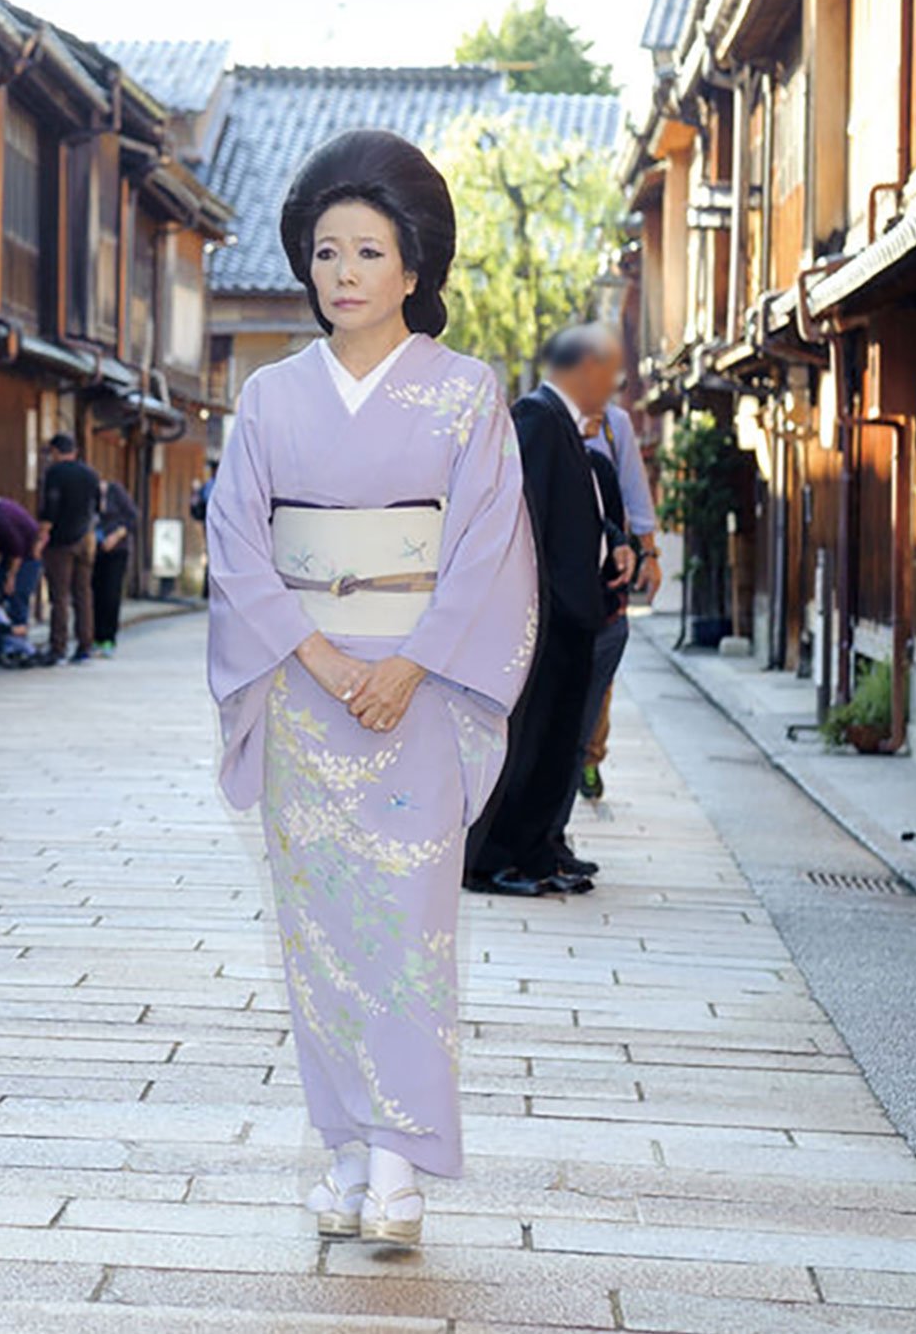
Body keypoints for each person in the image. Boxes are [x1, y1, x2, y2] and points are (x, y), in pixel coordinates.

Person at [207, 127, 539, 1249]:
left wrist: (409, 663)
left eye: (366, 252)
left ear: (414, 267)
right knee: (316, 929)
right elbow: (239, 546)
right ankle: (344, 1151)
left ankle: (397, 1159)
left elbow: (490, 546)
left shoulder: (463, 396)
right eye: (325, 251)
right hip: (309, 690)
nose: (341, 275)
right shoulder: (268, 398)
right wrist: (321, 655)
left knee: (407, 924)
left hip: (420, 691)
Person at [467, 327, 633, 898]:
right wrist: (541, 605)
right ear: (582, 369)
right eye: (608, 373)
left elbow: (576, 516)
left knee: (558, 742)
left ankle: (536, 853)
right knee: (530, 740)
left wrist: (612, 541)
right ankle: (497, 860)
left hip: (573, 612)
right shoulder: (536, 418)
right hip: (546, 613)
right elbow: (527, 521)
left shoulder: (567, 428)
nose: (612, 386)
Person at [577, 343, 659, 804]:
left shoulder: (615, 425)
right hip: (559, 564)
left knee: (601, 668)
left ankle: (590, 757)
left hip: (608, 563)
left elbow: (634, 489)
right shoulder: (545, 420)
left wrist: (649, 553)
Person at [38, 432, 103, 664]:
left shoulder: (55, 473)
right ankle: (85, 645)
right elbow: (98, 507)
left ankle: (59, 646)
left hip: (60, 541)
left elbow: (50, 509)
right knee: (83, 594)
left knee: (60, 596)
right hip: (86, 538)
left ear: (56, 452)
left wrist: (41, 537)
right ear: (74, 451)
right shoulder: (90, 473)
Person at [90, 477, 140, 655]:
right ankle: (95, 637)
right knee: (96, 593)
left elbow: (133, 517)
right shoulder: (91, 497)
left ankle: (109, 639)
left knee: (111, 593)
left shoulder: (116, 491)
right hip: (96, 549)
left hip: (118, 549)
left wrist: (117, 535)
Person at [0, 493, 43, 626]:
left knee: (18, 594)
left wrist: (11, 578)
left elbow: (17, 550)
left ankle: (18, 639)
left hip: (28, 552)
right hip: (14, 553)